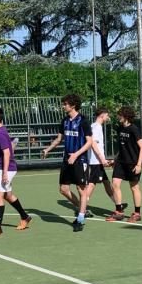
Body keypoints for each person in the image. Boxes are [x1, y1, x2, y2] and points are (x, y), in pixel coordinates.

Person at [41, 94, 93, 232]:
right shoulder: (64, 120)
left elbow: (89, 142)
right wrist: (48, 149)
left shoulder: (83, 121)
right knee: (63, 189)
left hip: (79, 160)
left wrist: (76, 155)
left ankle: (80, 219)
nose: (63, 106)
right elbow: (59, 139)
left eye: (65, 104)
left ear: (73, 105)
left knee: (81, 190)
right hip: (66, 160)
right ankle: (83, 209)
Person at [0, 106, 31, 237]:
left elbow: (6, 153)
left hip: (6, 169)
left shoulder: (0, 133)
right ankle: (25, 217)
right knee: (7, 195)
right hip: (4, 168)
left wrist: (4, 172)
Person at [106, 106, 142, 223]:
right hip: (121, 162)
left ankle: (137, 213)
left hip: (133, 163)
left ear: (126, 116)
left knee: (134, 187)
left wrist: (139, 165)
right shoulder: (120, 129)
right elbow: (122, 147)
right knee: (115, 184)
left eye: (120, 115)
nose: (118, 117)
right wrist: (115, 159)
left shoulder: (134, 129)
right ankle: (119, 212)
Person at [85, 106, 115, 212]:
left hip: (97, 160)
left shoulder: (94, 126)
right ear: (102, 115)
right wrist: (102, 159)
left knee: (106, 182)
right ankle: (81, 207)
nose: (108, 117)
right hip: (95, 161)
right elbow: (93, 144)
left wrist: (103, 159)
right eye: (107, 115)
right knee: (92, 184)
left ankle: (117, 203)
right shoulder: (96, 127)